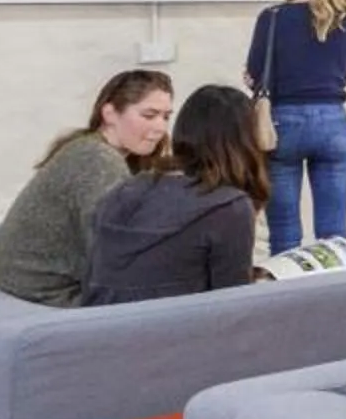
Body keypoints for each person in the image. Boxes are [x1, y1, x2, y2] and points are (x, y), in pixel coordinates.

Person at [0, 69, 175, 307]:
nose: (161, 128)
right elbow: (112, 254)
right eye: (149, 115)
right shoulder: (98, 160)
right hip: (38, 299)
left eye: (166, 117)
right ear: (110, 113)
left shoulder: (84, 147)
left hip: (16, 292)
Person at [82, 85, 268, 306]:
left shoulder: (130, 188)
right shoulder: (228, 206)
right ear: (244, 141)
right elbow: (231, 305)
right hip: (170, 330)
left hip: (100, 327)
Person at [246, 0, 346, 255]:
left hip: (281, 125)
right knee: (334, 233)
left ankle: (291, 303)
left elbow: (256, 75)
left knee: (284, 232)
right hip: (334, 123)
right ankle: (335, 300)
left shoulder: (272, 17)